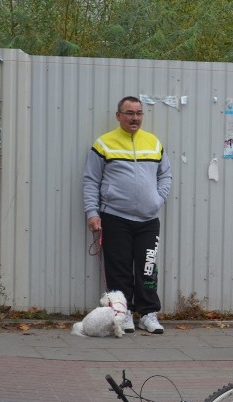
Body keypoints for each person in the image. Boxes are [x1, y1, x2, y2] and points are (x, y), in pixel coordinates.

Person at [82, 96, 172, 334]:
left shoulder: (153, 143)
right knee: (118, 269)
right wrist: (92, 212)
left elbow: (166, 175)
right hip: (115, 217)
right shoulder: (104, 144)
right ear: (118, 115)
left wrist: (157, 199)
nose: (135, 118)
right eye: (130, 113)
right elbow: (91, 180)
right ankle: (125, 313)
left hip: (148, 220)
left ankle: (149, 314)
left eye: (139, 113)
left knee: (147, 269)